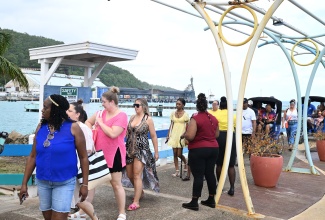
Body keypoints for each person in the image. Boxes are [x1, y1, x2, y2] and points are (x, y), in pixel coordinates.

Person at [19, 94, 89, 220]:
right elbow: (33, 156)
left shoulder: (73, 127)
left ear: (55, 110)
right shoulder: (41, 127)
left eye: (45, 107)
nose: (42, 110)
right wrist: (24, 184)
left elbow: (84, 157)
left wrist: (85, 184)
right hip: (43, 182)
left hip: (64, 182)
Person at [85, 87, 127, 220]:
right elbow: (87, 122)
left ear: (112, 102)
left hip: (114, 154)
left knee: (116, 183)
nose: (102, 104)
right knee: (91, 183)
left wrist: (101, 123)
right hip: (97, 153)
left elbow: (113, 133)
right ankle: (83, 210)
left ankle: (122, 212)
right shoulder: (99, 113)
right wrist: (91, 130)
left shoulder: (122, 116)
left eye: (104, 101)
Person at [181, 93, 219, 211]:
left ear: (197, 106)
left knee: (198, 176)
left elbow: (191, 136)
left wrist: (184, 135)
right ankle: (211, 199)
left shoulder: (195, 118)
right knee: (210, 174)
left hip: (199, 150)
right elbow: (216, 134)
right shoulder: (213, 118)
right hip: (213, 148)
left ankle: (194, 201)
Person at [123, 98, 159, 211]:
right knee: (129, 175)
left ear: (143, 106)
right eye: (134, 105)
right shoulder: (132, 117)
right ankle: (140, 192)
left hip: (141, 150)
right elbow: (126, 132)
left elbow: (153, 136)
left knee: (136, 175)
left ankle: (136, 201)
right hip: (129, 149)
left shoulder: (148, 119)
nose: (135, 107)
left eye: (137, 105)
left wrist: (156, 151)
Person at [66, 100, 99, 220]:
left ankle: (94, 217)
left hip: (80, 166)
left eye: (70, 111)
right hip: (71, 166)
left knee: (81, 199)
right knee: (76, 198)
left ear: (77, 114)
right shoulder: (68, 126)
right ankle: (82, 214)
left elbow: (89, 148)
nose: (67, 113)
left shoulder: (83, 127)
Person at [215, 96, 236, 196]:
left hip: (219, 137)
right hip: (231, 136)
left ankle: (220, 185)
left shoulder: (216, 114)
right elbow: (236, 126)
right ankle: (232, 187)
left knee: (219, 163)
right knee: (231, 165)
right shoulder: (233, 114)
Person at [166, 98, 189, 178]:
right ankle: (177, 171)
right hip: (174, 135)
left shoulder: (185, 114)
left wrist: (185, 134)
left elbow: (187, 126)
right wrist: (168, 134)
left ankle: (185, 163)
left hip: (181, 135)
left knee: (179, 154)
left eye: (179, 104)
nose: (177, 105)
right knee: (174, 154)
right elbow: (171, 125)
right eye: (176, 104)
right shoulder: (173, 113)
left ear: (183, 105)